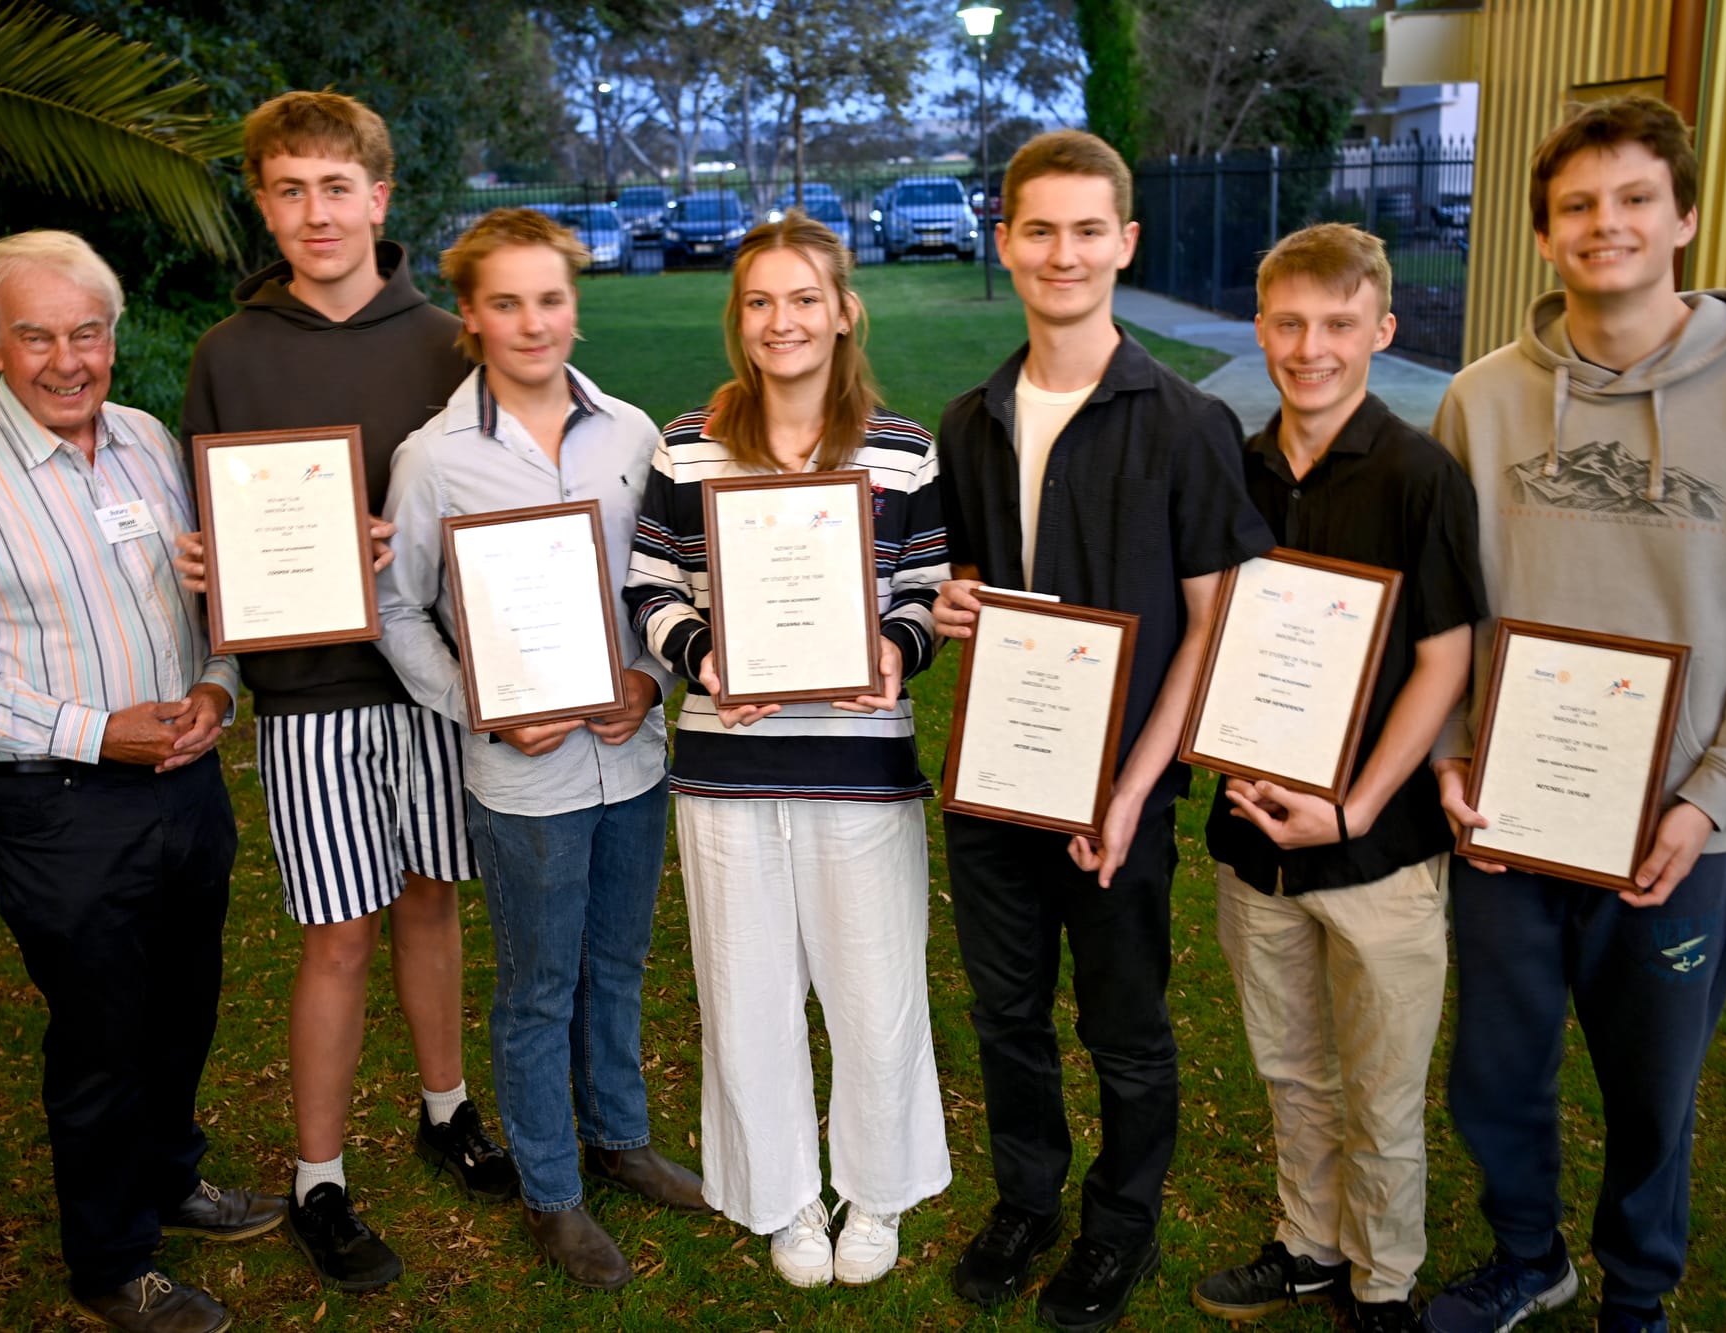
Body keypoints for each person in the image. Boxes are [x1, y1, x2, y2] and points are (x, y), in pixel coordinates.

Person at [1423, 95, 1726, 1333]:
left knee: (1652, 1086)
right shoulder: (1479, 401)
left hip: (1673, 834)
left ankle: (1637, 1292)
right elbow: (1449, 615)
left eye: (1631, 199)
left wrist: (1710, 797)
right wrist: (1450, 757)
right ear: (1543, 237)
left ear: (1683, 219)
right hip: (1508, 814)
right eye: (1575, 207)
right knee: (1495, 1067)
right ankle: (1525, 1253)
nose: (1603, 224)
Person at [0, 230, 282, 1333]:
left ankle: (168, 1175)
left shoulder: (148, 442)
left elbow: (207, 595)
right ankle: (111, 1259)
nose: (67, 359)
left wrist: (214, 683)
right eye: (38, 335)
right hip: (61, 808)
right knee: (101, 1034)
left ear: (113, 334)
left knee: (186, 1005)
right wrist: (95, 732)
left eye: (86, 331)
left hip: (187, 782)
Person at [931, 130, 1274, 1333]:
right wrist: (955, 596)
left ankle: (1116, 1221)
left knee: (1122, 1026)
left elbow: (1208, 630)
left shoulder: (1184, 426)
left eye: (1087, 231)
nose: (1061, 253)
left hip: (1115, 800)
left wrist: (1133, 791)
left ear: (1124, 245)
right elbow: (968, 582)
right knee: (1003, 1014)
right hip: (991, 787)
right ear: (1005, 239)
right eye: (1038, 229)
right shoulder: (967, 422)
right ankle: (1026, 1196)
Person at [176, 91, 513, 1293]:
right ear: (261, 205)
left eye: (335, 187)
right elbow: (205, 520)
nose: (313, 212)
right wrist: (204, 555)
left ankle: (445, 1107)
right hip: (310, 690)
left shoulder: (446, 344)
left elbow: (492, 501)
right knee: (338, 935)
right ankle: (319, 1176)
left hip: (432, 681)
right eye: (287, 190)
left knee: (431, 901)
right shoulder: (229, 354)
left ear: (379, 198)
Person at [375, 206, 704, 1290]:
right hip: (524, 774)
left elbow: (671, 584)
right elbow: (393, 607)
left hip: (634, 756)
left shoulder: (632, 432)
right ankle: (553, 1191)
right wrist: (480, 702)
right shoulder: (434, 460)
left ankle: (618, 1136)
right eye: (505, 303)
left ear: (575, 301)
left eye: (550, 298)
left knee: (617, 964)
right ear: (469, 317)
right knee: (535, 987)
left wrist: (651, 679)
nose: (532, 323)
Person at [624, 210, 952, 1289]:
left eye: (804, 298)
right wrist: (708, 657)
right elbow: (651, 585)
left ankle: (874, 1186)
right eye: (759, 301)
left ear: (843, 310)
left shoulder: (902, 451)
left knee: (873, 990)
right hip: (727, 765)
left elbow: (922, 592)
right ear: (738, 319)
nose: (782, 321)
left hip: (860, 764)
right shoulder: (687, 443)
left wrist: (897, 656)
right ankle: (784, 1195)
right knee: (747, 992)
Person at [1188, 224, 1486, 1333]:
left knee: (1380, 1088)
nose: (1310, 347)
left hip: (1380, 850)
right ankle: (1308, 1243)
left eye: (1337, 324)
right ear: (1259, 328)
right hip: (1252, 840)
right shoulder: (1232, 469)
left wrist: (1351, 805)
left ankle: (1382, 1282)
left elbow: (1443, 657)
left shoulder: (1419, 475)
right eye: (1288, 323)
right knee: (1291, 1066)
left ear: (1380, 330)